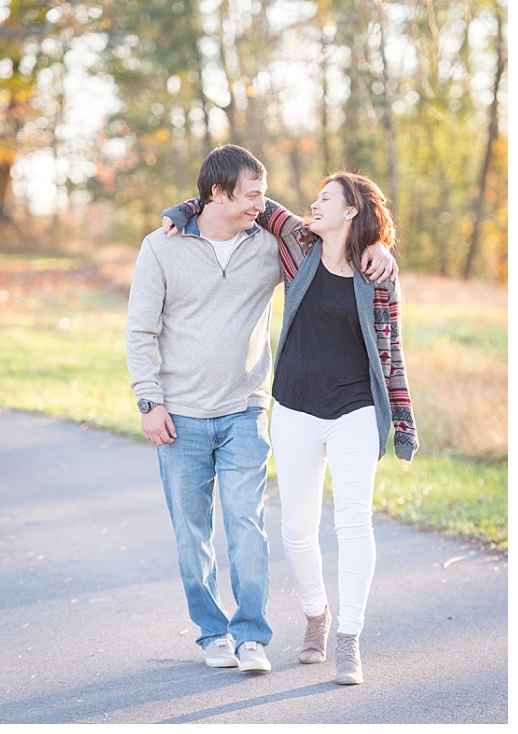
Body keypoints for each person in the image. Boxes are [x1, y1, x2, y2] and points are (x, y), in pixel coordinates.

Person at [126, 145, 394, 675]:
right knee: (193, 536)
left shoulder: (274, 246)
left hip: (245, 410)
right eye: (251, 194)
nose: (262, 203)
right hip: (181, 413)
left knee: (248, 525)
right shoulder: (162, 246)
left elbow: (343, 248)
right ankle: (213, 633)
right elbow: (140, 330)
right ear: (218, 193)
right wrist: (149, 401)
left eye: (262, 195)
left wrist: (381, 245)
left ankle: (254, 636)